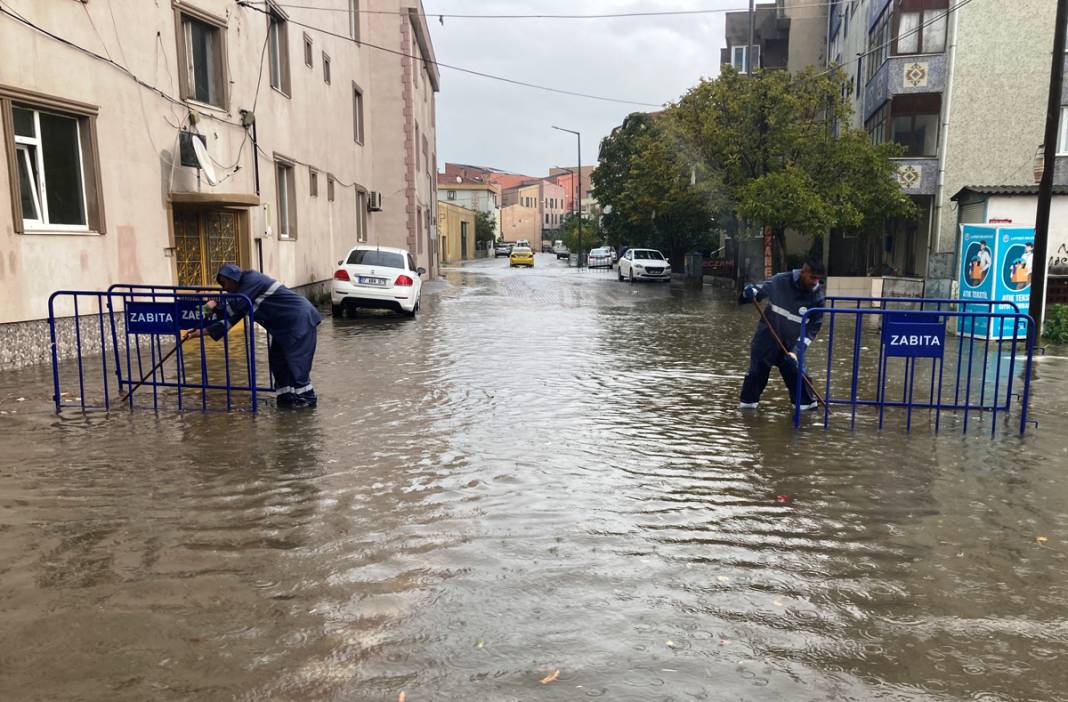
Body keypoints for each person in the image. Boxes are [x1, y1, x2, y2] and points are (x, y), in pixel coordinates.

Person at [186, 264, 322, 407]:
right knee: (277, 360)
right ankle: (285, 397)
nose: (224, 288)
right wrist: (198, 333)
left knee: (297, 362)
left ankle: (308, 399)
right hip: (283, 328)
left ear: (232, 278)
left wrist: (214, 302)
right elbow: (228, 321)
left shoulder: (251, 279)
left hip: (298, 321)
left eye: (224, 283)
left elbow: (231, 306)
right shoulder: (243, 297)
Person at [738, 260, 826, 410]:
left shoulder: (817, 299)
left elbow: (811, 330)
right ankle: (747, 412)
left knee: (797, 374)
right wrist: (749, 292)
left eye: (818, 279)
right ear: (803, 271)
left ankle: (807, 412)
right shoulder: (780, 280)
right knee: (756, 373)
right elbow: (757, 293)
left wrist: (796, 352)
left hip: (792, 343)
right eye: (812, 277)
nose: (815, 282)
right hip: (767, 336)